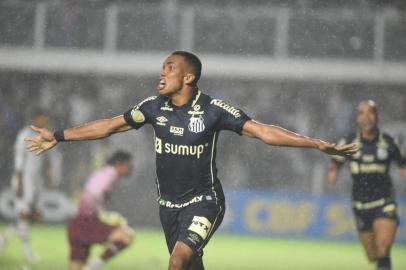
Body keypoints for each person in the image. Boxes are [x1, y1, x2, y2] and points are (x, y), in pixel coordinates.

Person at [25, 51, 357, 270]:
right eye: (162, 68)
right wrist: (59, 135)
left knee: (177, 260)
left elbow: (264, 132)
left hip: (205, 201)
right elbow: (110, 125)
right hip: (168, 205)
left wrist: (316, 144)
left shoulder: (213, 110)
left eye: (170, 68)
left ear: (189, 76)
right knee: (188, 264)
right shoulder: (154, 107)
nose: (162, 73)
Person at [328, 100, 406, 270]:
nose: (367, 117)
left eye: (371, 113)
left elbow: (403, 164)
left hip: (384, 202)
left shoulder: (389, 142)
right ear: (357, 119)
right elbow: (336, 162)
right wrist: (333, 172)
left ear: (377, 117)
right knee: (373, 256)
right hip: (360, 205)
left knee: (384, 247)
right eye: (362, 113)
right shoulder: (349, 141)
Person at [0, 109, 57, 262]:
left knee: (34, 216)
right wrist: (19, 183)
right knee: (24, 215)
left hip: (35, 181)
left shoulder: (43, 135)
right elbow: (19, 160)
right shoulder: (24, 135)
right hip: (23, 180)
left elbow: (44, 158)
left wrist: (48, 175)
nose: (46, 122)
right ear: (37, 118)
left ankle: (4, 237)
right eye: (44, 119)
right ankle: (28, 254)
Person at [67, 151, 134, 270]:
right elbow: (94, 193)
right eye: (129, 165)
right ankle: (92, 268)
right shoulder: (109, 174)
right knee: (126, 236)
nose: (131, 168)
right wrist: (103, 213)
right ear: (119, 164)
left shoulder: (103, 173)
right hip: (88, 221)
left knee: (76, 265)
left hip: (78, 222)